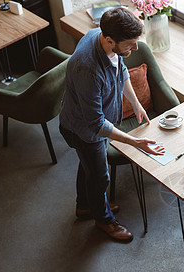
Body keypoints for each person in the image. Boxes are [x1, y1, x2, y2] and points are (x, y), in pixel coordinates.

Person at [59, 8, 164, 243]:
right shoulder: (88, 68)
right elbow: (96, 124)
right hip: (83, 129)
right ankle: (104, 220)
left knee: (89, 166)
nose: (136, 49)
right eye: (130, 44)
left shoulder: (102, 35)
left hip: (91, 123)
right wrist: (135, 142)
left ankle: (84, 206)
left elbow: (121, 70)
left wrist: (136, 103)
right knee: (99, 176)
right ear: (109, 40)